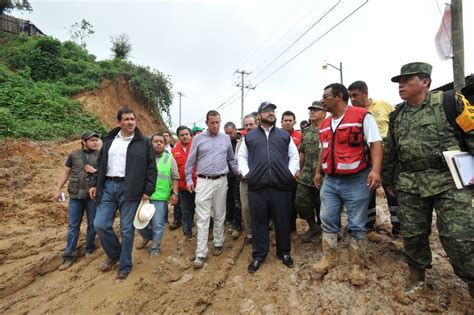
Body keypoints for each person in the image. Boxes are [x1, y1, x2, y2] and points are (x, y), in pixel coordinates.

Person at [383, 62, 474, 297]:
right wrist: (388, 179)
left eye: (406, 80)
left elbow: (472, 134)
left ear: (425, 81)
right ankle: (417, 276)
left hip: (449, 180)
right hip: (410, 184)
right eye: (399, 82)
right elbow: (391, 150)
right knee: (412, 235)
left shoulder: (450, 102)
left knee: (459, 236)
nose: (401, 85)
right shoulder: (397, 115)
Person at [312, 83, 382, 285]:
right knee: (327, 219)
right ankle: (329, 258)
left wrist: (375, 171)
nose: (323, 100)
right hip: (331, 181)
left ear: (339, 96)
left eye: (326, 96)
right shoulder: (325, 124)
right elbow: (322, 149)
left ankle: (357, 265)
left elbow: (375, 142)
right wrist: (318, 171)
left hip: (356, 180)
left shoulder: (361, 116)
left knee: (357, 224)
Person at [90, 107, 157, 283]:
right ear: (118, 122)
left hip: (131, 189)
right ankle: (114, 254)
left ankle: (125, 266)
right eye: (126, 119)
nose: (130, 122)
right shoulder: (110, 140)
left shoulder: (143, 142)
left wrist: (147, 191)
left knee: (127, 229)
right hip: (108, 186)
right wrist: (94, 184)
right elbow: (101, 164)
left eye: (132, 119)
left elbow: (151, 169)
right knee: (100, 224)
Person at [238, 101, 299, 273]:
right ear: (259, 116)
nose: (271, 113)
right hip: (257, 187)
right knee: (259, 222)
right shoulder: (249, 137)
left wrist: (289, 172)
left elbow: (294, 156)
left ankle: (284, 252)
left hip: (281, 186)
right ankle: (259, 255)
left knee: (282, 221)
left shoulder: (283, 136)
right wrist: (247, 173)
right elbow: (241, 157)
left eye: (272, 110)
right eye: (267, 111)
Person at [185, 110, 238, 269]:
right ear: (207, 123)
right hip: (203, 181)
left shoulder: (225, 139)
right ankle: (201, 252)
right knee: (202, 217)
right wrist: (188, 179)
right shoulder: (198, 139)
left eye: (218, 122)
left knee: (220, 214)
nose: (216, 125)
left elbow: (231, 159)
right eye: (212, 122)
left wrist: (239, 174)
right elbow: (190, 162)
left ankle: (218, 242)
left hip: (222, 181)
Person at [348, 80, 400, 238]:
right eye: (350, 96)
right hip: (364, 159)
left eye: (355, 95)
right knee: (367, 191)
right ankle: (369, 224)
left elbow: (396, 127)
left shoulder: (384, 105)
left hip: (388, 157)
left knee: (392, 191)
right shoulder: (351, 112)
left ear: (365, 93)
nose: (353, 99)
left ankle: (399, 227)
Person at [54, 131, 100, 270]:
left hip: (92, 197)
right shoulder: (74, 155)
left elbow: (105, 173)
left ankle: (90, 248)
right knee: (73, 226)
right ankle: (69, 256)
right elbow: (66, 172)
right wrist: (57, 188)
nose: (95, 142)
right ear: (83, 141)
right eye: (92, 140)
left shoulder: (101, 156)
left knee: (93, 224)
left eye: (96, 140)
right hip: (75, 197)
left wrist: (94, 171)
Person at [136, 133, 179, 256]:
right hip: (143, 195)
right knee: (138, 221)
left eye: (161, 141)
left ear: (165, 144)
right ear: (151, 143)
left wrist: (175, 193)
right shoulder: (143, 157)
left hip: (159, 196)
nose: (159, 143)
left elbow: (175, 177)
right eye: (156, 141)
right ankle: (148, 236)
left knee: (157, 224)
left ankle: (155, 248)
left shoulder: (169, 158)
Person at [294, 101, 326, 243]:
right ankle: (313, 227)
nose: (312, 112)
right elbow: (302, 153)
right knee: (300, 201)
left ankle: (326, 229)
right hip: (307, 174)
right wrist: (298, 170)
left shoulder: (329, 128)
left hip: (325, 175)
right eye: (311, 110)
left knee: (323, 204)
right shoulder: (306, 132)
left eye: (316, 110)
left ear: (324, 113)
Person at [236, 114, 258, 245]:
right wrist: (240, 173)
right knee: (245, 207)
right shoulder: (240, 142)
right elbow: (236, 161)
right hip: (245, 180)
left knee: (261, 207)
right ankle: (249, 233)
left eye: (251, 124)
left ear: (257, 124)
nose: (249, 127)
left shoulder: (264, 140)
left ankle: (262, 230)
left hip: (261, 180)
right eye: (246, 125)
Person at [171, 126, 197, 239]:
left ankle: (206, 231)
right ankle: (187, 232)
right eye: (182, 135)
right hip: (183, 187)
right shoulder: (174, 151)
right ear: (178, 137)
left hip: (198, 185)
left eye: (187, 134)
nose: (185, 136)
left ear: (190, 135)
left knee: (201, 210)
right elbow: (170, 169)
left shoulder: (197, 147)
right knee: (185, 210)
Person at [280, 110, 302, 232]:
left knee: (293, 201)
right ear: (281, 122)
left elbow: (302, 155)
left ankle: (291, 227)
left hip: (294, 175)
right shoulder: (275, 135)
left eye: (290, 121)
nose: (288, 123)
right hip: (279, 174)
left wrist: (298, 170)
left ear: (294, 122)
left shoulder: (300, 136)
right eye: (285, 120)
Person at [224, 121, 243, 239]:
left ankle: (238, 224)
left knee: (238, 200)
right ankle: (230, 220)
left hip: (240, 175)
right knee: (229, 199)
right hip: (228, 175)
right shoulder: (225, 142)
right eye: (226, 133)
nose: (228, 135)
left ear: (235, 130)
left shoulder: (242, 141)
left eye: (230, 133)